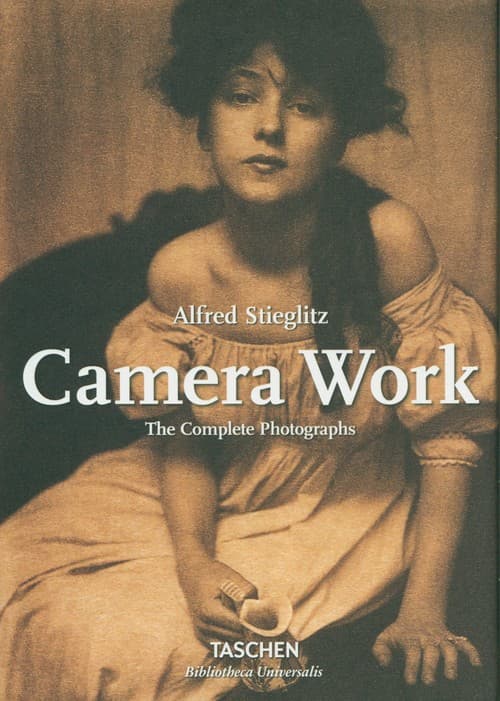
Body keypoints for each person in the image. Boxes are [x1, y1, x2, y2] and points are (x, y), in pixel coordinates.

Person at [0, 1, 496, 699]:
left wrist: (422, 611)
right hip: (190, 493)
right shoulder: (180, 271)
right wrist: (194, 563)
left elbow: (447, 435)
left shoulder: (388, 238)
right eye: (241, 95)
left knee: (126, 643)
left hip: (338, 504)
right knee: (14, 566)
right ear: (203, 121)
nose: (269, 127)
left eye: (306, 106)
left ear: (342, 134)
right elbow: (185, 443)